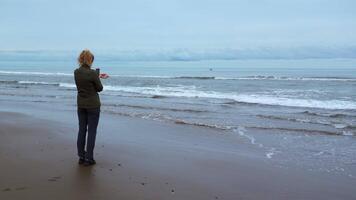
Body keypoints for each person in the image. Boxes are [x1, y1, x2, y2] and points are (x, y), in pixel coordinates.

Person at [74, 49, 108, 166]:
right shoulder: (92, 73)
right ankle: (89, 158)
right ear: (90, 60)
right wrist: (97, 76)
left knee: (82, 130)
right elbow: (99, 88)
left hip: (81, 105)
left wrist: (97, 75)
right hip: (93, 105)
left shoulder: (76, 72)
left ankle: (81, 157)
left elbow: (86, 79)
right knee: (92, 131)